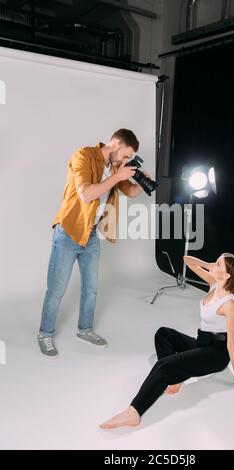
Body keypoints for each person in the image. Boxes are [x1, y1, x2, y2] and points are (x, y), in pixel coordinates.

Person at [100, 253, 234, 429]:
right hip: (203, 342)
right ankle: (176, 378)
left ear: (227, 276)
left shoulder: (229, 304)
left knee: (164, 365)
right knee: (163, 334)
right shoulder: (213, 283)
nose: (213, 266)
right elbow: (186, 259)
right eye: (215, 262)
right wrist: (210, 264)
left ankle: (134, 412)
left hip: (216, 354)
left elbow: (231, 343)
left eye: (218, 265)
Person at [38, 129, 150, 358]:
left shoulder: (115, 168)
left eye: (128, 158)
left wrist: (142, 183)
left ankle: (85, 330)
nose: (124, 161)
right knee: (57, 289)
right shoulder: (83, 155)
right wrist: (117, 176)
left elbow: (128, 191)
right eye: (124, 155)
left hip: (90, 236)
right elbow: (86, 195)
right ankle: (44, 333)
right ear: (116, 144)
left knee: (91, 289)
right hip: (68, 232)